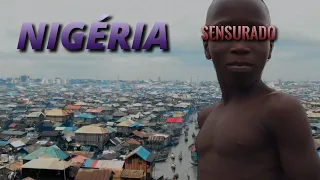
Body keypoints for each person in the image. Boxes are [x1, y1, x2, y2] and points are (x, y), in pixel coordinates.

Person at [195, 0, 320, 179]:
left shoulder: (282, 110)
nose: (239, 46)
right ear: (207, 46)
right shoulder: (205, 117)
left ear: (270, 47)